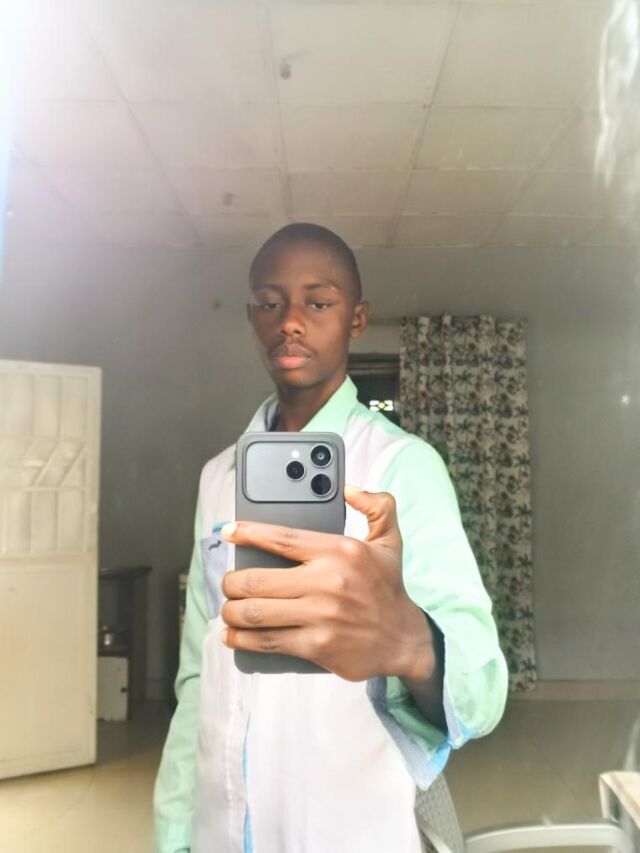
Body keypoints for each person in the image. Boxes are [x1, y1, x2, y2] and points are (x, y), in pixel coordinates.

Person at [154, 223, 508, 853]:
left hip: (352, 822)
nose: (291, 322)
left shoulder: (401, 466)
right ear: (252, 318)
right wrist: (175, 831)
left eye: (318, 303)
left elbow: (481, 693)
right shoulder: (219, 477)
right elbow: (196, 675)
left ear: (357, 319)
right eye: (270, 303)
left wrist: (411, 641)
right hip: (220, 825)